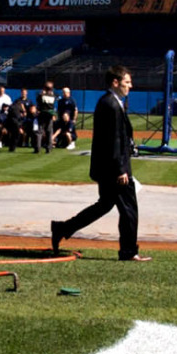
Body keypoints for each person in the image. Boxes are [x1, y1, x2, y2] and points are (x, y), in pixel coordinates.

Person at [50, 66, 144, 261]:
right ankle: (128, 251)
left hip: (109, 168)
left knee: (105, 205)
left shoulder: (112, 102)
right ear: (115, 83)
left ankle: (62, 228)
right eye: (127, 82)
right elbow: (113, 140)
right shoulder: (110, 104)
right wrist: (121, 169)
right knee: (129, 209)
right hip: (115, 170)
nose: (131, 86)